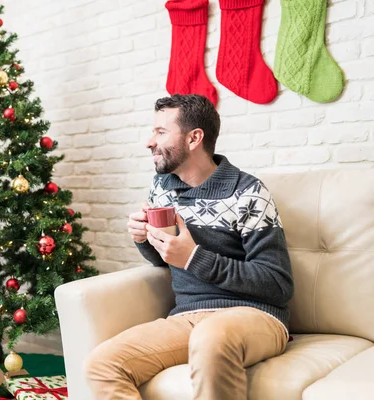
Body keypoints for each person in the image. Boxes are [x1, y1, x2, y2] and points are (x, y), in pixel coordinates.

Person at [83, 94, 294, 400]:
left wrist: (195, 257)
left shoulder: (247, 192)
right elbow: (164, 258)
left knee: (211, 337)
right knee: (101, 365)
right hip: (188, 317)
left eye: (160, 132)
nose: (149, 142)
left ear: (195, 138)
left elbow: (278, 284)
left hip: (256, 316)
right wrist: (144, 239)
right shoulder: (162, 188)